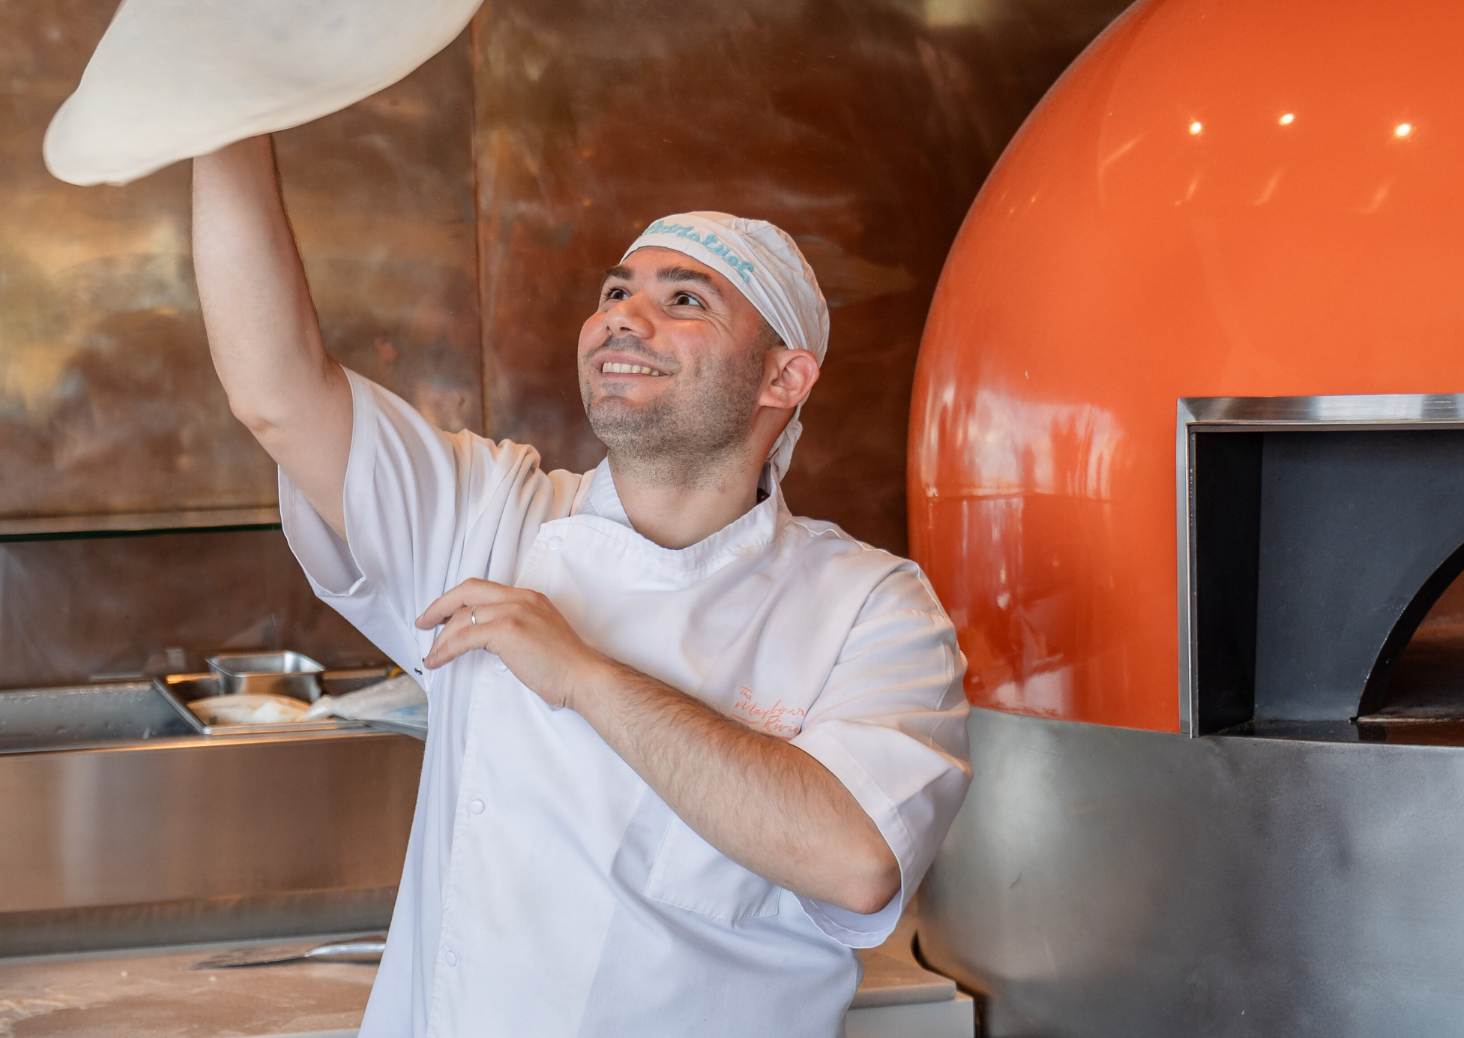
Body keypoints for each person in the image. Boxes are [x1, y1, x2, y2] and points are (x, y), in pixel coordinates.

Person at [191, 134, 971, 1037]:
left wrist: (584, 675)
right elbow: (276, 394)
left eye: (684, 299)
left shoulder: (872, 605)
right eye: (613, 293)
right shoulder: (486, 515)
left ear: (784, 377)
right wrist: (230, 119)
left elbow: (856, 859)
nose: (622, 319)